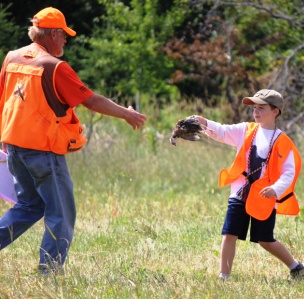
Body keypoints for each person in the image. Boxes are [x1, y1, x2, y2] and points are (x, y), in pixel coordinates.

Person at [0, 7, 146, 274]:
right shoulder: (54, 67)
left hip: (16, 149)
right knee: (62, 215)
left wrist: (3, 140)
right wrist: (126, 113)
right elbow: (90, 100)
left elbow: (3, 99)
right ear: (53, 33)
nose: (66, 40)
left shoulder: (12, 58)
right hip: (43, 153)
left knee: (29, 206)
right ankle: (50, 274)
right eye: (64, 35)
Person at [194, 89, 303, 280]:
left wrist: (276, 189)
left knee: (265, 240)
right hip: (239, 193)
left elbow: (289, 172)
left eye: (261, 108)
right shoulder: (245, 130)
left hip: (264, 198)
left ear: (275, 111)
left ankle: (296, 267)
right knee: (229, 234)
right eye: (254, 108)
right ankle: (224, 277)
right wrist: (203, 123)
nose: (256, 112)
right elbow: (221, 131)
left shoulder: (282, 141)